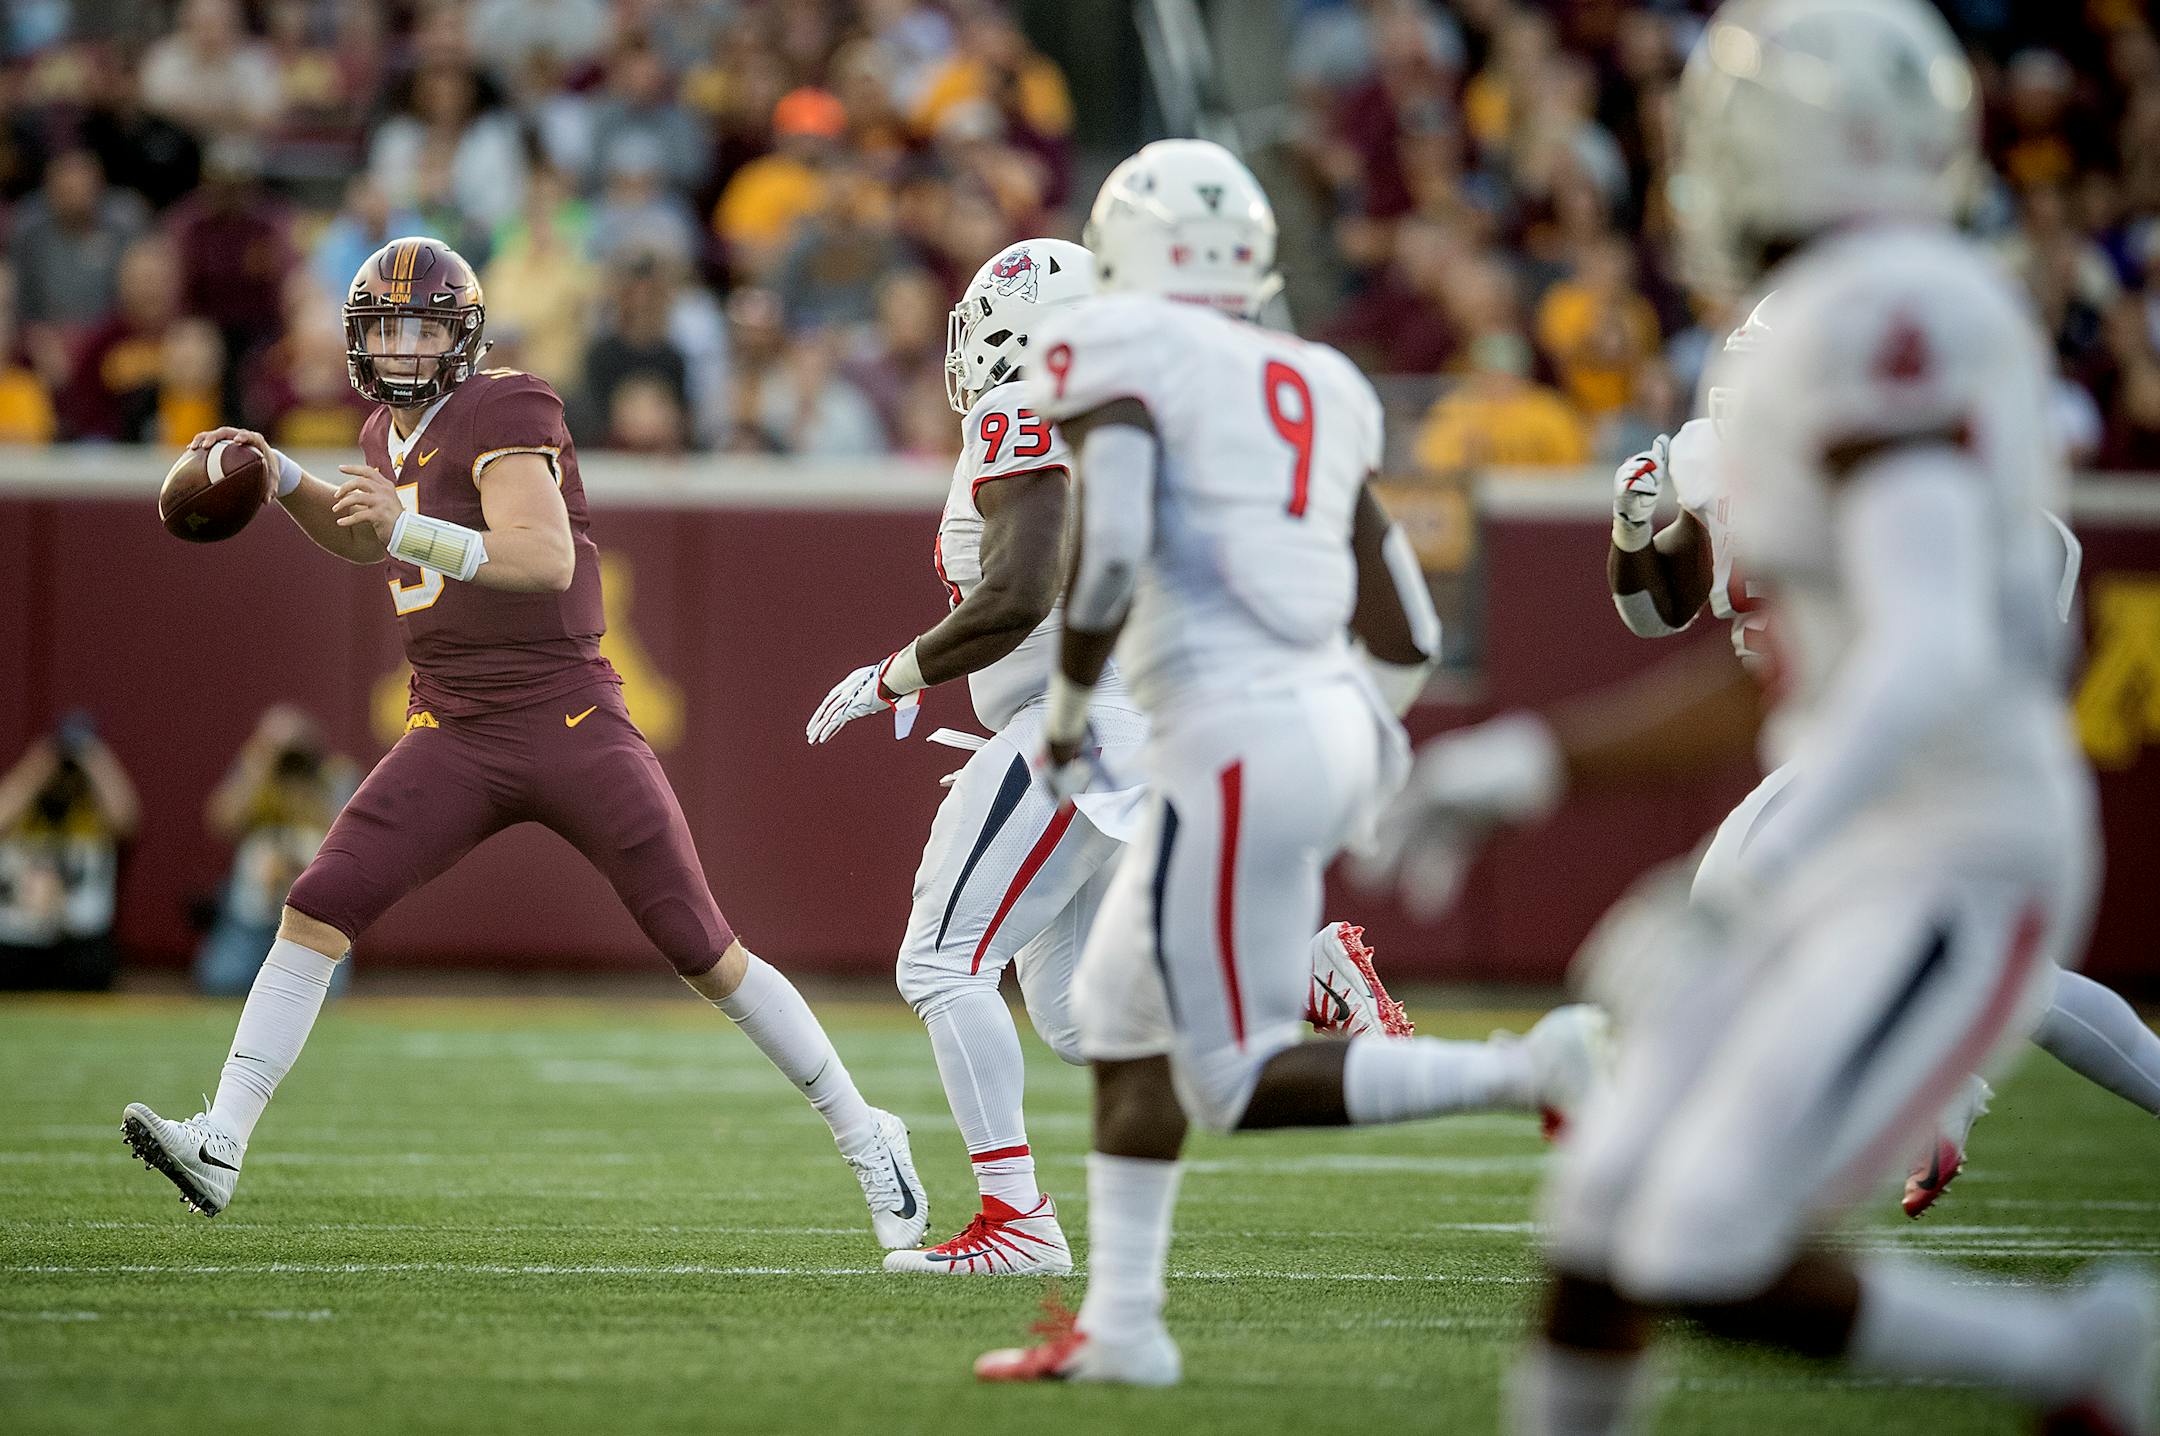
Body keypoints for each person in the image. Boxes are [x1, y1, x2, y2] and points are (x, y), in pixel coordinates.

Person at [1362, 4, 2157, 1431]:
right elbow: (1755, 656)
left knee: (1697, 1244)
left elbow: (1912, 653)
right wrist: (1536, 761)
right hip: (1872, 795)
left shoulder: (1887, 317)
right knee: (1602, 1216)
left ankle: (2078, 1357)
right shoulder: (1824, 340)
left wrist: (1760, 886)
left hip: (1941, 832)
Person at [122, 237, 928, 1255]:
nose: (402, 348)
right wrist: (285, 477)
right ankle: (222, 1140)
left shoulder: (506, 406)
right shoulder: (382, 429)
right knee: (318, 905)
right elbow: (372, 533)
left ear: (461, 335)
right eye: (384, 329)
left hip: (565, 717)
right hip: (452, 725)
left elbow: (542, 558)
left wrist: (406, 531)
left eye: (420, 328)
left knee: (701, 945)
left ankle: (868, 1132)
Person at [967, 141, 1606, 1384]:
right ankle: (1124, 1325)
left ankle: (1532, 1065)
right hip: (1322, 720)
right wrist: (1347, 727)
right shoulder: (1323, 379)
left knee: (1230, 1074)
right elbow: (1407, 626)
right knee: (1113, 1006)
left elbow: (1104, 559)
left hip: (1234, 731)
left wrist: (1067, 710)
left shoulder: (1117, 350)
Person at [807, 237, 1416, 1279]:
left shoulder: (1026, 410)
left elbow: (1021, 592)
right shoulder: (1118, 416)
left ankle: (1016, 1218)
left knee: (941, 958)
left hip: (1073, 719)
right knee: (1085, 1015)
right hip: (1113, 720)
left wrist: (892, 675)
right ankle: (1291, 976)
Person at [1606, 301, 2160, 1218]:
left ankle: (1744, 1180)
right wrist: (1631, 535)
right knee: (1997, 977)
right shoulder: (1715, 459)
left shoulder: (1880, 468)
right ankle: (1930, 1095)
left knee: (1727, 904)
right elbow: (1655, 611)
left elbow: (2030, 562)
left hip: (1898, 724)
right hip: (1837, 730)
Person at [195, 706, 357, 998]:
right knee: (222, 982)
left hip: (313, 918)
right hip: (251, 913)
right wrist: (262, 761)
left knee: (321, 995)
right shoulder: (255, 777)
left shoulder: (333, 778)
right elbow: (222, 821)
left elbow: (349, 837)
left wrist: (307, 785)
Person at [0, 714, 138, 992]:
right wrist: (40, 764)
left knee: (91, 971)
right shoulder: (26, 805)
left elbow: (126, 819)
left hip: (80, 936)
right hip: (17, 935)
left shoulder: (93, 810)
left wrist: (94, 758)